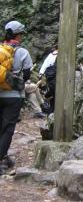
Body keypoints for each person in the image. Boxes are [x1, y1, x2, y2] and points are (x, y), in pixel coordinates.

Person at [0, 21, 33, 174]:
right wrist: (18, 82)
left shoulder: (1, 50)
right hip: (14, 96)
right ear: (18, 35)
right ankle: (1, 158)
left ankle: (3, 156)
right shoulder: (22, 52)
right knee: (8, 127)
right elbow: (27, 73)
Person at [38, 45, 57, 114]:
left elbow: (44, 65)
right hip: (55, 77)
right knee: (54, 94)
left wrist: (40, 74)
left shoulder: (50, 55)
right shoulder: (59, 56)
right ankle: (52, 110)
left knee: (51, 93)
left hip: (49, 77)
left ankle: (51, 110)